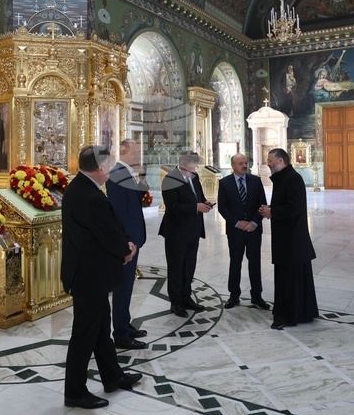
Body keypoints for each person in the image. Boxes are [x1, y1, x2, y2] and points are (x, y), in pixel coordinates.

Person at [60, 145, 142, 409]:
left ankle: (113, 376)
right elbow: (106, 233)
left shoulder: (80, 187)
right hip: (89, 275)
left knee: (99, 330)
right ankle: (74, 391)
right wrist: (125, 250)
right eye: (107, 167)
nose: (109, 172)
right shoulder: (90, 196)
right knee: (85, 334)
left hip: (90, 273)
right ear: (99, 168)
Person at [258, 148, 318, 330]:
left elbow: (295, 207)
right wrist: (270, 208)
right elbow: (286, 203)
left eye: (270, 160)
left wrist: (272, 212)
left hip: (292, 239)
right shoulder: (284, 177)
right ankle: (296, 311)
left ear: (281, 161)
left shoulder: (292, 178)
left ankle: (287, 314)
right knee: (289, 276)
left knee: (289, 277)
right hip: (288, 236)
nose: (268, 164)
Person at [106, 138, 150, 349]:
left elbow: (136, 198)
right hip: (128, 242)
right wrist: (126, 244)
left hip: (133, 238)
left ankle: (125, 323)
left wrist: (142, 178)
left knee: (128, 285)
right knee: (122, 288)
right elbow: (118, 213)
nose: (137, 156)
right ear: (123, 152)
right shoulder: (116, 175)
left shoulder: (125, 173)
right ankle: (121, 334)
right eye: (134, 152)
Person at [158, 151, 212, 317]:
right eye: (193, 165)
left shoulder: (194, 177)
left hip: (193, 230)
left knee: (189, 266)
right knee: (176, 268)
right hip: (176, 232)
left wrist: (205, 203)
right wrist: (196, 207)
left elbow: (199, 197)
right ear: (183, 164)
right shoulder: (170, 179)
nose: (195, 167)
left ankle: (186, 297)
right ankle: (176, 302)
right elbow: (172, 207)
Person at [217, 153, 269, 310]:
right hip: (235, 231)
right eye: (240, 163)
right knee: (235, 262)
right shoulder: (225, 183)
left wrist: (254, 222)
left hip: (254, 230)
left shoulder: (256, 181)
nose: (244, 165)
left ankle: (256, 296)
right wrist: (237, 223)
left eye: (246, 162)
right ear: (233, 165)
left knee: (255, 263)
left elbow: (263, 204)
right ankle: (234, 295)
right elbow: (222, 207)